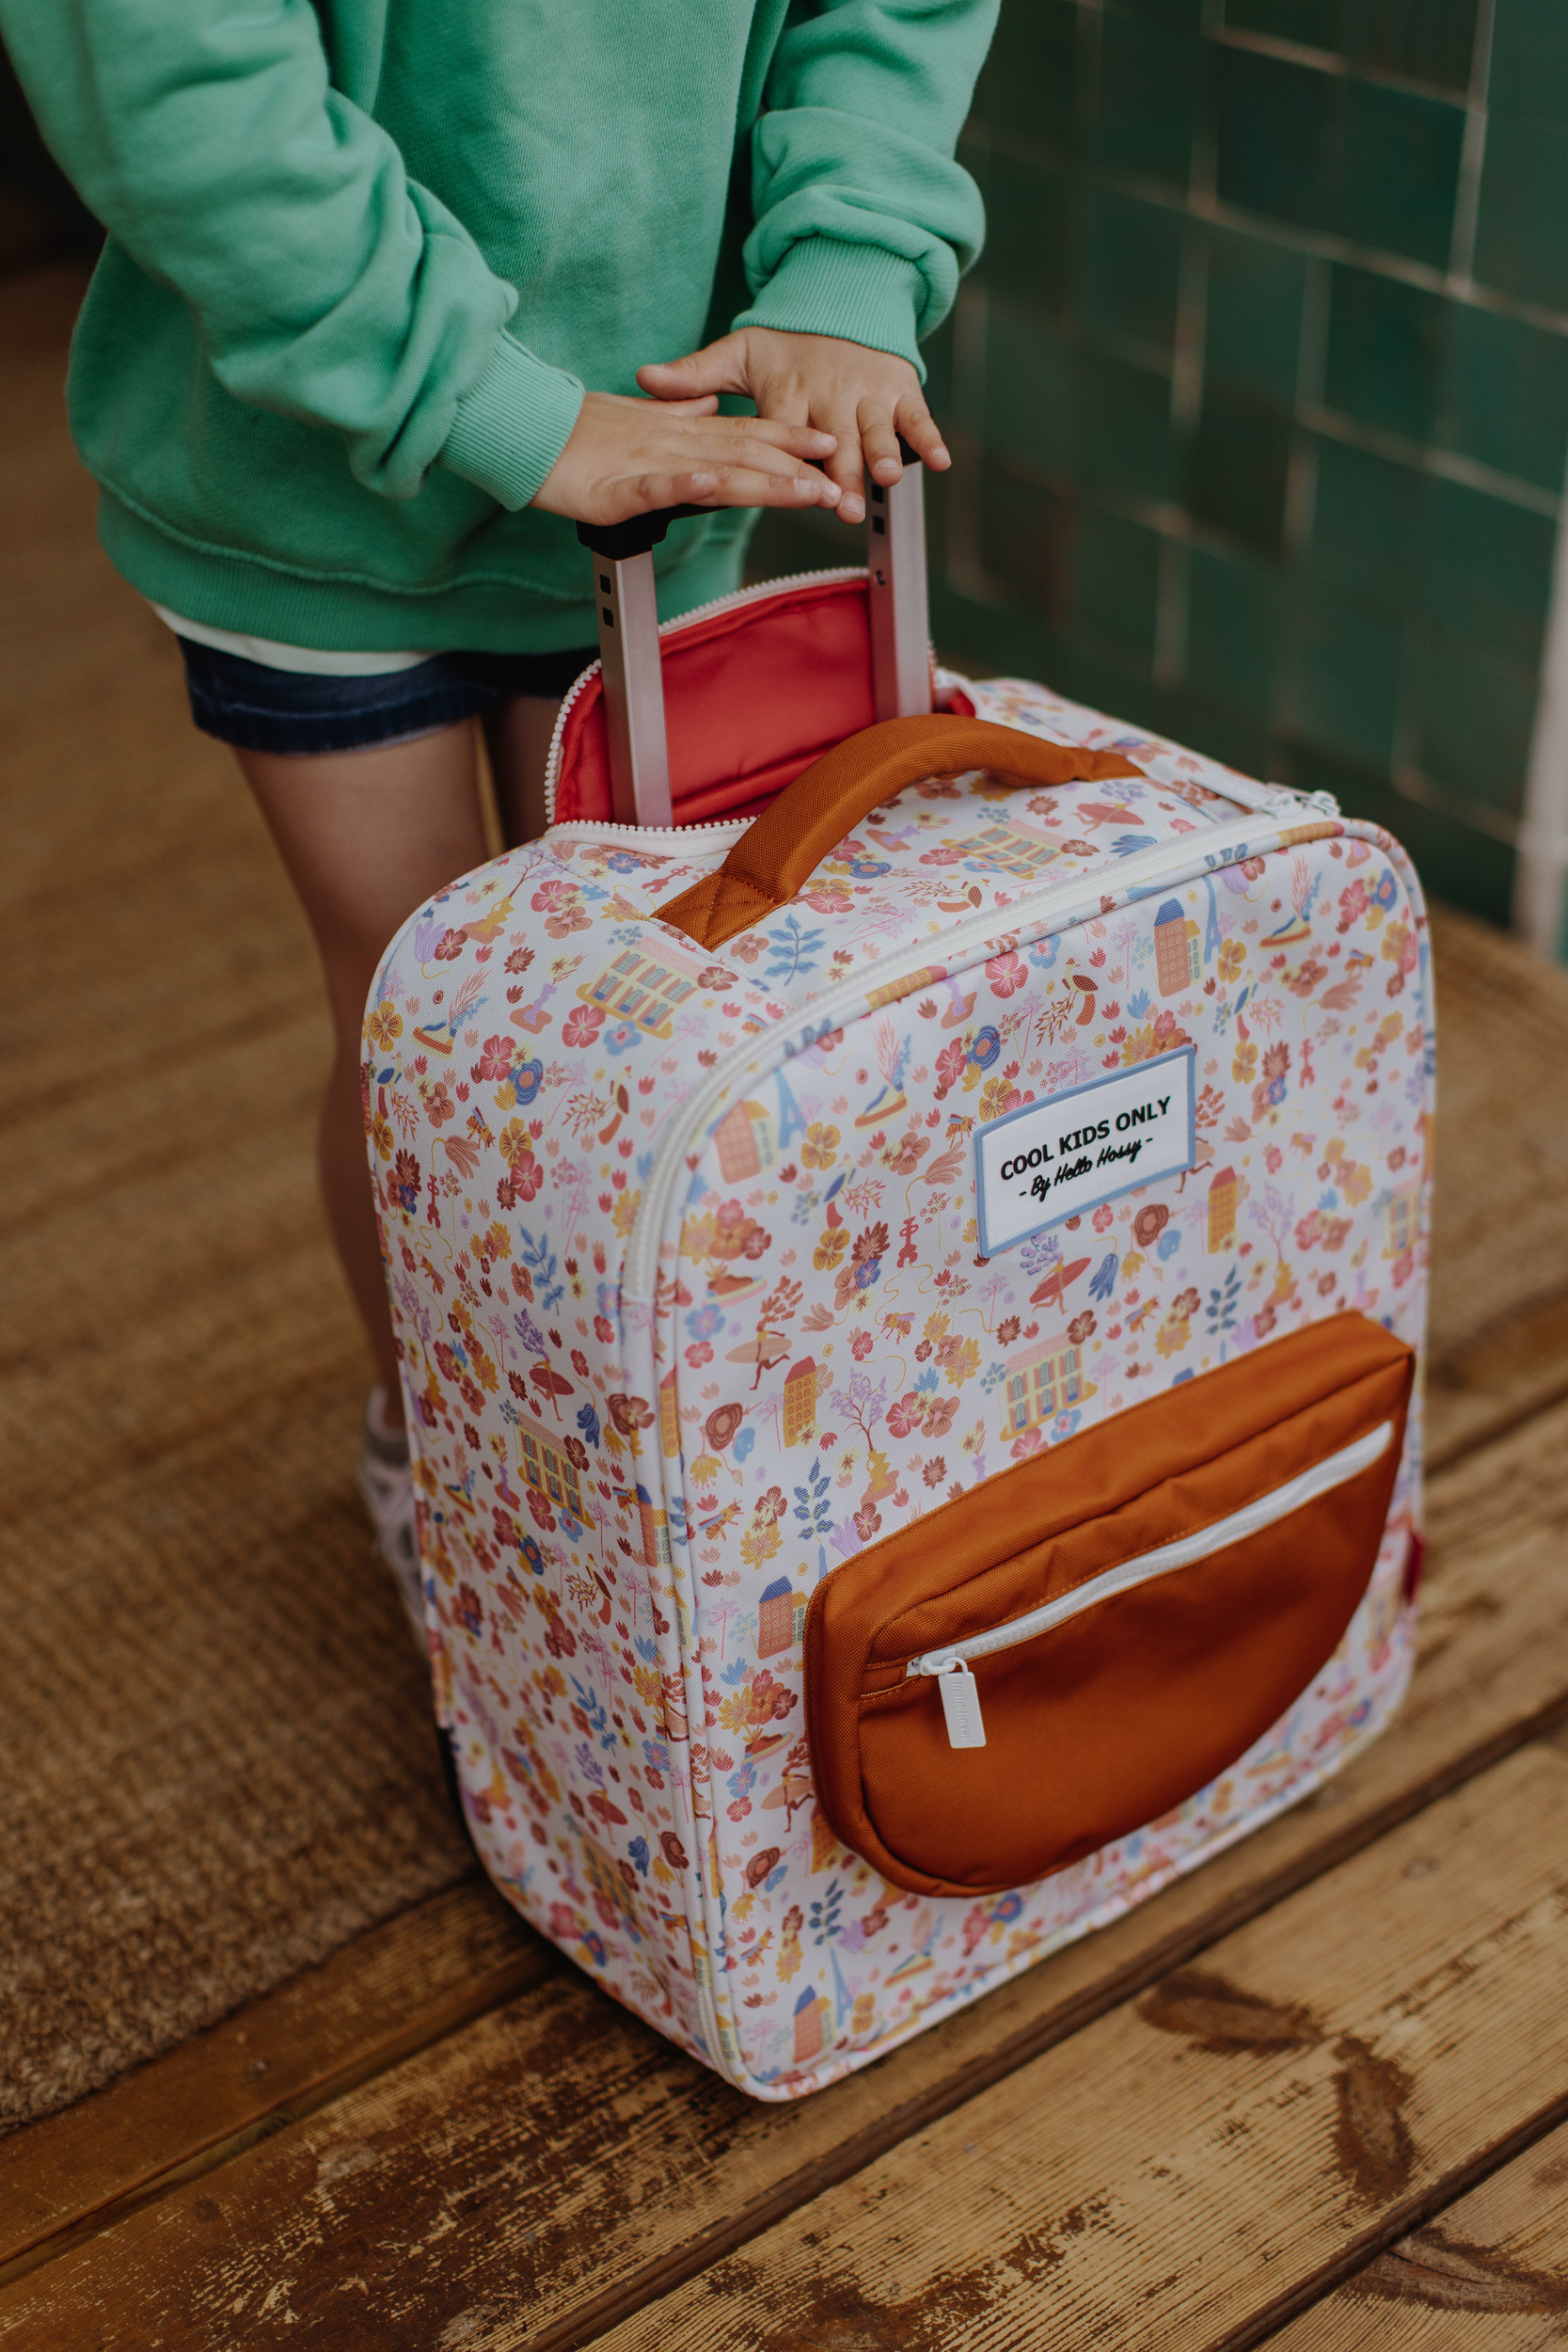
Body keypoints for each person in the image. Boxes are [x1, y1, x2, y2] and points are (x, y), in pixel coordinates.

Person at [2, 0, 998, 1631]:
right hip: (314, 494)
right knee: (431, 1036)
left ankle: (655, 1468)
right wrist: (496, 403)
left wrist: (851, 264)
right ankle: (448, 1468)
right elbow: (174, 77)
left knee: (645, 1038)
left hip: (678, 462)